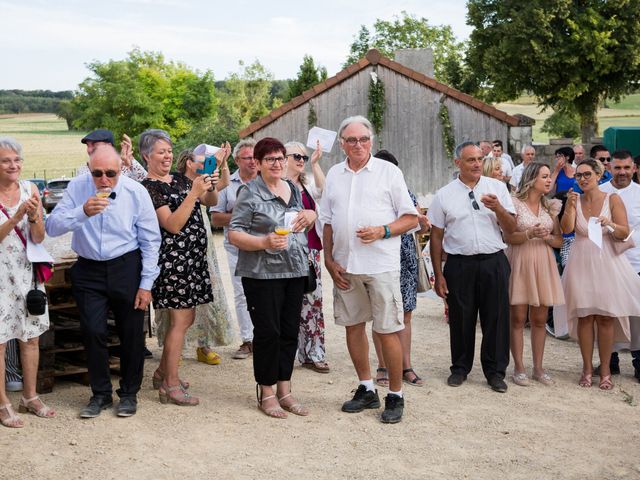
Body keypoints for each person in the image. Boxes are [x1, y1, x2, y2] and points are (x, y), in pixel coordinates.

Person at [46, 144, 161, 418]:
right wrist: (82, 212)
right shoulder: (77, 188)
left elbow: (151, 240)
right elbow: (52, 227)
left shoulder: (136, 192)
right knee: (93, 331)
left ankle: (129, 393)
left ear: (121, 168)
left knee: (131, 333)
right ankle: (100, 394)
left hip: (126, 266)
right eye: (97, 173)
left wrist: (146, 284)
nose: (104, 180)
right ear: (89, 168)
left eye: (111, 173)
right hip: (88, 269)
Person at [320, 115, 418, 424]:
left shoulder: (389, 172)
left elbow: (411, 218)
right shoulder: (334, 174)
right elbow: (326, 221)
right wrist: (328, 260)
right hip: (345, 265)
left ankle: (395, 395)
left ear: (371, 141)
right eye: (351, 140)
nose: (358, 145)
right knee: (353, 326)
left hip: (380, 266)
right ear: (342, 144)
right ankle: (366, 388)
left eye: (363, 139)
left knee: (388, 328)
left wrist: (383, 231)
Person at [229, 137, 317, 419]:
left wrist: (310, 214)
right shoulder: (249, 193)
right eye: (270, 159)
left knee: (289, 331)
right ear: (258, 163)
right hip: (261, 274)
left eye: (281, 158)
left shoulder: (291, 187)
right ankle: (266, 393)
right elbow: (234, 233)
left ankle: (285, 390)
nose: (277, 163)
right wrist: (263, 242)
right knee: (268, 334)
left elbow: (303, 217)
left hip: (294, 269)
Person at [429, 141, 516, 393]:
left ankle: (495, 371)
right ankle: (459, 368)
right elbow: (436, 237)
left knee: (496, 318)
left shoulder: (497, 188)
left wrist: (497, 207)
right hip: (460, 264)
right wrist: (438, 274)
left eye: (479, 159)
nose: (477, 164)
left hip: (493, 261)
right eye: (471, 160)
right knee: (461, 318)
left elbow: (511, 229)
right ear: (458, 163)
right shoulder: (444, 194)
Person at [140, 129, 219, 407]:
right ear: (146, 156)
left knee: (186, 319)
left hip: (193, 261)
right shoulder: (149, 187)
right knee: (180, 322)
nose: (167, 156)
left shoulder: (181, 178)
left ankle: (163, 372)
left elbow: (211, 202)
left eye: (169, 151)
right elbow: (172, 224)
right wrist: (193, 193)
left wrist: (209, 185)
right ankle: (170, 385)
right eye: (161, 152)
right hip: (174, 264)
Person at [560, 159, 638, 389]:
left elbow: (625, 231)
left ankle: (605, 370)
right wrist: (570, 206)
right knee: (584, 317)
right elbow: (566, 230)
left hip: (607, 262)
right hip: (581, 261)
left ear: (598, 175)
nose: (582, 179)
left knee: (605, 317)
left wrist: (610, 223)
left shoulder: (612, 199)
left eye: (587, 175)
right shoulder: (575, 199)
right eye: (578, 176)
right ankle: (586, 368)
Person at [154, 146, 234, 366]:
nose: (207, 162)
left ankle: (201, 345)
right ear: (189, 162)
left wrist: (222, 163)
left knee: (199, 303)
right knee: (178, 309)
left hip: (200, 244)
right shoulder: (176, 181)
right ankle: (172, 355)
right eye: (203, 160)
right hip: (177, 253)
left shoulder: (199, 181)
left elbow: (217, 193)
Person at [0, 137, 54, 428]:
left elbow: (39, 237)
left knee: (31, 337)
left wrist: (33, 217)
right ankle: (3, 403)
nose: (13, 165)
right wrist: (16, 216)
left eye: (17, 160)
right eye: (6, 160)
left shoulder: (30, 189)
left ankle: (30, 397)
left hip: (27, 273)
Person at [371, 149, 429, 388]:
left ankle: (406, 366)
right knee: (381, 313)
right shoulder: (370, 194)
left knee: (405, 315)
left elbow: (420, 230)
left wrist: (423, 225)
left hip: (405, 258)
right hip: (381, 256)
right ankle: (383, 365)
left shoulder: (407, 193)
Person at [504, 162, 564, 386]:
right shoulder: (514, 204)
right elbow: (508, 237)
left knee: (539, 320)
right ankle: (518, 367)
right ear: (532, 179)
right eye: (545, 177)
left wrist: (546, 237)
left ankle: (538, 368)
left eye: (550, 177)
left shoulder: (551, 207)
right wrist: (529, 233)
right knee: (518, 318)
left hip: (543, 262)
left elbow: (558, 240)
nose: (549, 180)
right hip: (520, 260)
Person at [284, 140, 330, 373]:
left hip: (311, 251)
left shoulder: (306, 184)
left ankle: (314, 353)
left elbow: (324, 191)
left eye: (303, 157)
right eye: (297, 157)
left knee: (313, 302)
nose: (301, 161)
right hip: (285, 251)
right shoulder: (275, 185)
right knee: (288, 304)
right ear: (284, 158)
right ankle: (287, 353)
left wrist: (315, 164)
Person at [211, 139, 257, 360]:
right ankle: (248, 340)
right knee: (242, 293)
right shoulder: (227, 183)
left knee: (267, 293)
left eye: (255, 157)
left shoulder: (267, 180)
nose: (252, 161)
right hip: (236, 246)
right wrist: (242, 217)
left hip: (265, 246)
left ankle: (264, 339)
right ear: (237, 160)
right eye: (247, 157)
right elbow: (216, 217)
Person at [599, 150, 640, 382]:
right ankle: (609, 361)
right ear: (609, 169)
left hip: (636, 262)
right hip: (609, 263)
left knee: (637, 315)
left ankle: (638, 361)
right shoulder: (600, 193)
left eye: (626, 168)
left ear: (634, 168)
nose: (622, 172)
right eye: (617, 168)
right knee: (609, 314)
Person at [78, 129, 148, 181]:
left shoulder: (125, 165)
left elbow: (146, 182)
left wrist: (130, 160)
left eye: (94, 145)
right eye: (88, 145)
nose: (89, 150)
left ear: (109, 146)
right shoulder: (84, 169)